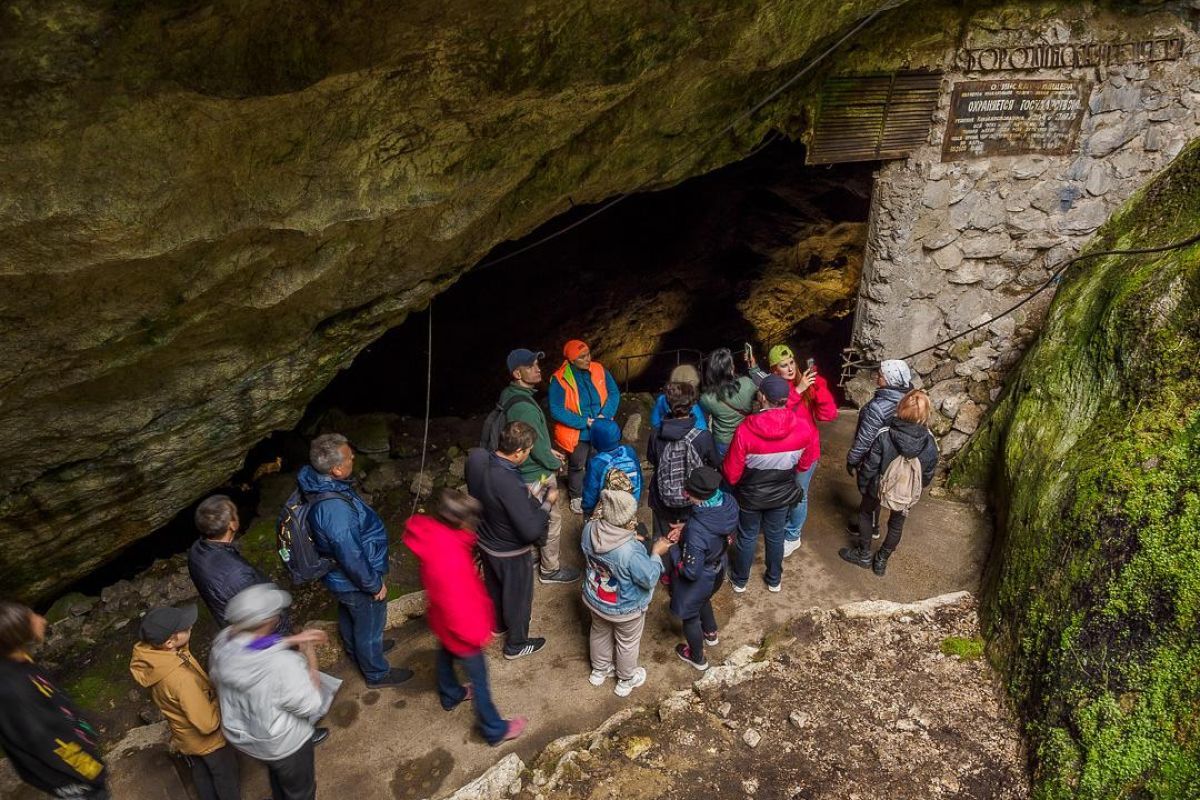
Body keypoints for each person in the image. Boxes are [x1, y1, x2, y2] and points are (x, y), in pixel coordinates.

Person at [403, 490, 527, 744]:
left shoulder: (434, 536)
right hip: (462, 629)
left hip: (442, 621)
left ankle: (451, 694)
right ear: (461, 522)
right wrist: (479, 633)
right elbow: (458, 603)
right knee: (480, 680)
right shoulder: (451, 559)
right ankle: (494, 729)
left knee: (445, 654)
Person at [209, 584, 340, 800]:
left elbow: (251, 646)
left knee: (278, 777)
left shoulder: (223, 643)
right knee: (300, 792)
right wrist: (310, 657)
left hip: (250, 738)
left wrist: (291, 640)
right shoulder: (281, 665)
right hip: (285, 745)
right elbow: (311, 704)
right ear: (270, 622)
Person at [299, 433, 410, 688]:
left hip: (339, 579)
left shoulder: (319, 482)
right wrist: (373, 585)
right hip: (353, 579)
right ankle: (377, 673)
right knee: (370, 621)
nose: (353, 459)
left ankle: (358, 650)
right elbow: (349, 553)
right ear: (337, 469)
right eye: (350, 457)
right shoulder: (333, 509)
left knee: (351, 616)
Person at [130, 604, 241, 800]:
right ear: (170, 641)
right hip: (209, 742)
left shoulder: (156, 660)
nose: (190, 626)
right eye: (185, 627)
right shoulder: (181, 679)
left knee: (201, 772)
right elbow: (207, 724)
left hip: (185, 737)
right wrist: (221, 697)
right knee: (225, 776)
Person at [465, 421, 555, 659]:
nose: (528, 455)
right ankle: (516, 644)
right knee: (518, 596)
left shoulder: (478, 459)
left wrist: (524, 494)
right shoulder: (507, 482)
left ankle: (498, 625)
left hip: (486, 540)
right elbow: (530, 531)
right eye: (528, 451)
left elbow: (491, 495)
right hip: (510, 551)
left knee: (495, 586)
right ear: (518, 453)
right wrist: (547, 503)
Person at [0, 601, 107, 799]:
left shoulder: (17, 660)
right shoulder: (16, 691)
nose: (43, 620)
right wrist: (93, 771)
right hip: (73, 777)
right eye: (33, 619)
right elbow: (49, 741)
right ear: (18, 633)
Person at [723, 375, 817, 593]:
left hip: (750, 495)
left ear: (762, 397)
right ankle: (774, 580)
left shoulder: (745, 430)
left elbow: (731, 473)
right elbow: (805, 464)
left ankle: (740, 581)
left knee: (747, 535)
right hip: (782, 493)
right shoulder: (804, 428)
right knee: (775, 535)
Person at [580, 475, 670, 697]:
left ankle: (599, 671)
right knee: (627, 642)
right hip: (625, 608)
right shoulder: (630, 552)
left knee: (599, 632)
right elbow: (648, 577)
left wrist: (630, 538)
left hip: (595, 598)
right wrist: (656, 554)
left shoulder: (589, 529)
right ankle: (625, 680)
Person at [498, 348, 579, 584]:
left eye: (537, 364)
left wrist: (546, 449)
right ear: (517, 373)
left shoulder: (510, 395)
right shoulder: (524, 407)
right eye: (531, 366)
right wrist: (554, 462)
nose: (538, 368)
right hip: (536, 475)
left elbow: (529, 439)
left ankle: (532, 555)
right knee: (551, 518)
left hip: (523, 472)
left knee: (530, 513)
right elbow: (537, 447)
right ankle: (550, 569)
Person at [840, 390, 938, 576]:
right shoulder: (930, 442)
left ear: (900, 407)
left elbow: (870, 466)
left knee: (866, 513)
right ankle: (881, 560)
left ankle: (864, 555)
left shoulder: (885, 434)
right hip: (905, 492)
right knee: (896, 525)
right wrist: (914, 489)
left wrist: (864, 485)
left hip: (878, 487)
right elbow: (927, 473)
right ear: (926, 415)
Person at [766, 344, 838, 556]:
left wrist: (818, 389)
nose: (789, 368)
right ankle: (783, 525)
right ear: (773, 370)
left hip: (806, 451)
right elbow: (774, 417)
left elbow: (828, 415)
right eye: (783, 365)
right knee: (782, 491)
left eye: (791, 363)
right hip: (781, 452)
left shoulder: (807, 384)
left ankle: (793, 535)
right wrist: (797, 391)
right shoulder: (771, 388)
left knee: (799, 494)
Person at [667, 466, 738, 671]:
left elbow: (690, 571)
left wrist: (673, 550)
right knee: (704, 599)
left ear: (696, 496)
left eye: (688, 492)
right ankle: (711, 633)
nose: (686, 494)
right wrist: (686, 528)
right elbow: (712, 527)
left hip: (700, 576)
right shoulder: (727, 501)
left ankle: (697, 657)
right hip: (718, 565)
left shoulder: (697, 531)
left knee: (690, 616)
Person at [188, 494, 289, 633]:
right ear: (232, 525)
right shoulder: (238, 574)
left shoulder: (196, 550)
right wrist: (283, 629)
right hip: (254, 633)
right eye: (235, 513)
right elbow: (262, 615)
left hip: (226, 619)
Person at [548, 339, 620, 514]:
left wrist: (605, 415)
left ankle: (595, 492)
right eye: (582, 357)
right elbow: (556, 409)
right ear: (571, 360)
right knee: (577, 464)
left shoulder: (598, 369)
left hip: (600, 428)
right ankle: (576, 496)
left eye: (588, 353)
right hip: (578, 432)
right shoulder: (560, 378)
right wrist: (584, 422)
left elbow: (614, 392)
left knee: (597, 462)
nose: (588, 358)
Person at [845, 359, 914, 540]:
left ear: (891, 380)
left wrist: (852, 459)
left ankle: (868, 534)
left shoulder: (878, 407)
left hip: (876, 458)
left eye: (881, 376)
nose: (877, 378)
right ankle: (873, 527)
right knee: (878, 493)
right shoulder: (910, 399)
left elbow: (865, 439)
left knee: (870, 494)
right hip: (896, 458)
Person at [646, 381, 720, 541]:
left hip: (662, 500)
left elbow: (652, 459)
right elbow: (714, 462)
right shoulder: (702, 436)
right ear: (693, 404)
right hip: (693, 501)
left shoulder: (656, 435)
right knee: (693, 540)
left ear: (667, 404)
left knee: (663, 541)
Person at [699, 347, 763, 460]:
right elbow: (764, 384)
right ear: (731, 369)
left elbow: (703, 421)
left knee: (726, 472)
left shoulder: (706, 398)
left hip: (723, 443)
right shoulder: (747, 384)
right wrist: (753, 367)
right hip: (746, 438)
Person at [581, 418, 643, 516]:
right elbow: (639, 477)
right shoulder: (629, 452)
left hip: (608, 511)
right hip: (630, 505)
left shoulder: (597, 463)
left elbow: (591, 491)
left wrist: (587, 510)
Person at [649, 364, 708, 431]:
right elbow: (702, 427)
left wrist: (661, 432)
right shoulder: (691, 404)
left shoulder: (662, 399)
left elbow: (655, 421)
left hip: (667, 432)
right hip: (689, 437)